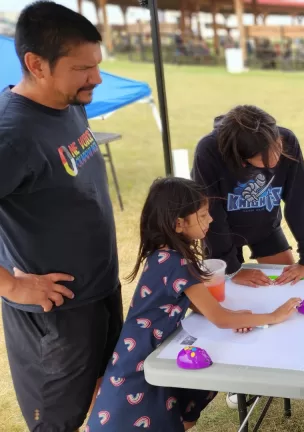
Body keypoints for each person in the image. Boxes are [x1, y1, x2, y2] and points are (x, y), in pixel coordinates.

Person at [86, 177, 302, 431]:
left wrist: (233, 315)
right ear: (179, 224)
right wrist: (272, 316)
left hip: (141, 351)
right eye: (202, 215)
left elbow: (196, 304)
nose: (210, 219)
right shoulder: (178, 264)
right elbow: (219, 319)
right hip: (144, 360)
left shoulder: (162, 254)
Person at [0, 3, 124, 430]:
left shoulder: (71, 102)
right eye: (83, 68)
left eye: (97, 65)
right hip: (56, 317)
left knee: (106, 395)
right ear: (36, 64)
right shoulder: (11, 134)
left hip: (100, 290)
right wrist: (12, 284)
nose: (97, 78)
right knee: (57, 421)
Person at [192, 105, 304, 286]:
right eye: (264, 159)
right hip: (222, 234)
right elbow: (211, 212)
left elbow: (300, 200)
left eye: (278, 147)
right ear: (241, 159)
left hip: (266, 227)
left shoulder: (287, 139)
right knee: (229, 296)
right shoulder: (209, 150)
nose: (276, 158)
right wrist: (232, 268)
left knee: (287, 285)